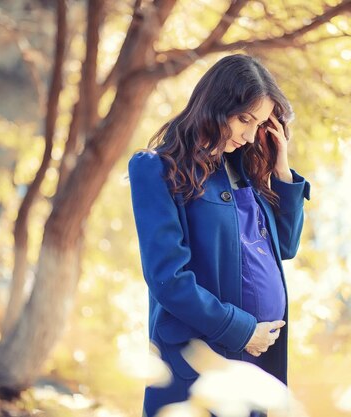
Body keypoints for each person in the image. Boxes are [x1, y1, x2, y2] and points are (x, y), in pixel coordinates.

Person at [128, 53, 311, 417]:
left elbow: (285, 248)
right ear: (216, 105)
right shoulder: (156, 169)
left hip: (257, 360)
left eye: (258, 123)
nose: (248, 134)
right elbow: (168, 280)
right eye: (244, 119)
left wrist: (282, 168)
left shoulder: (244, 167)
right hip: (200, 360)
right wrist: (242, 330)